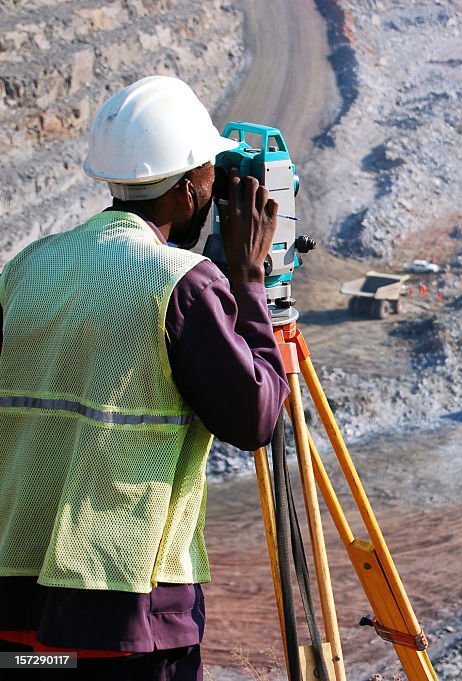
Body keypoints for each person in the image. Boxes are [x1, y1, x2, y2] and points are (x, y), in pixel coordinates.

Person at [0, 76, 290, 680]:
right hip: (125, 617)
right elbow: (258, 417)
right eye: (211, 176)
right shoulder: (182, 283)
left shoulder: (28, 267)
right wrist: (250, 282)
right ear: (189, 191)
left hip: (18, 609)